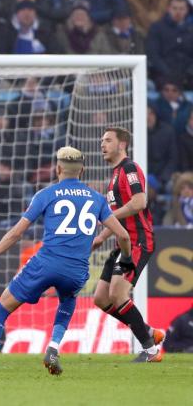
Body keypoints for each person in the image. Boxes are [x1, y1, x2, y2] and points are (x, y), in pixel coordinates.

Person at [0, 147, 130, 378]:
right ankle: (53, 347)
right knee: (68, 298)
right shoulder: (97, 199)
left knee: (3, 306)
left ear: (58, 168)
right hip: (77, 269)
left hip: (45, 263)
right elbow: (123, 236)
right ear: (82, 170)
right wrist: (127, 259)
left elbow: (16, 233)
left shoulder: (46, 194)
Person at [90, 128, 167, 363]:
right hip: (122, 244)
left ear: (122, 144)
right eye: (102, 140)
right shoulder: (114, 174)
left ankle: (150, 350)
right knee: (101, 299)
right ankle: (149, 333)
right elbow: (119, 216)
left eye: (108, 140)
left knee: (118, 293)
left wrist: (105, 225)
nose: (102, 144)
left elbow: (139, 202)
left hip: (138, 241)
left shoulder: (129, 168)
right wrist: (104, 235)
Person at [146, 0, 193, 83]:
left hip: (189, 77)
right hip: (162, 76)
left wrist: (188, 73)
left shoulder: (191, 30)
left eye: (181, 8)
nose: (178, 12)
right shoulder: (157, 28)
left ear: (186, 10)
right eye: (174, 8)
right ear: (168, 9)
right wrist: (168, 73)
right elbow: (153, 55)